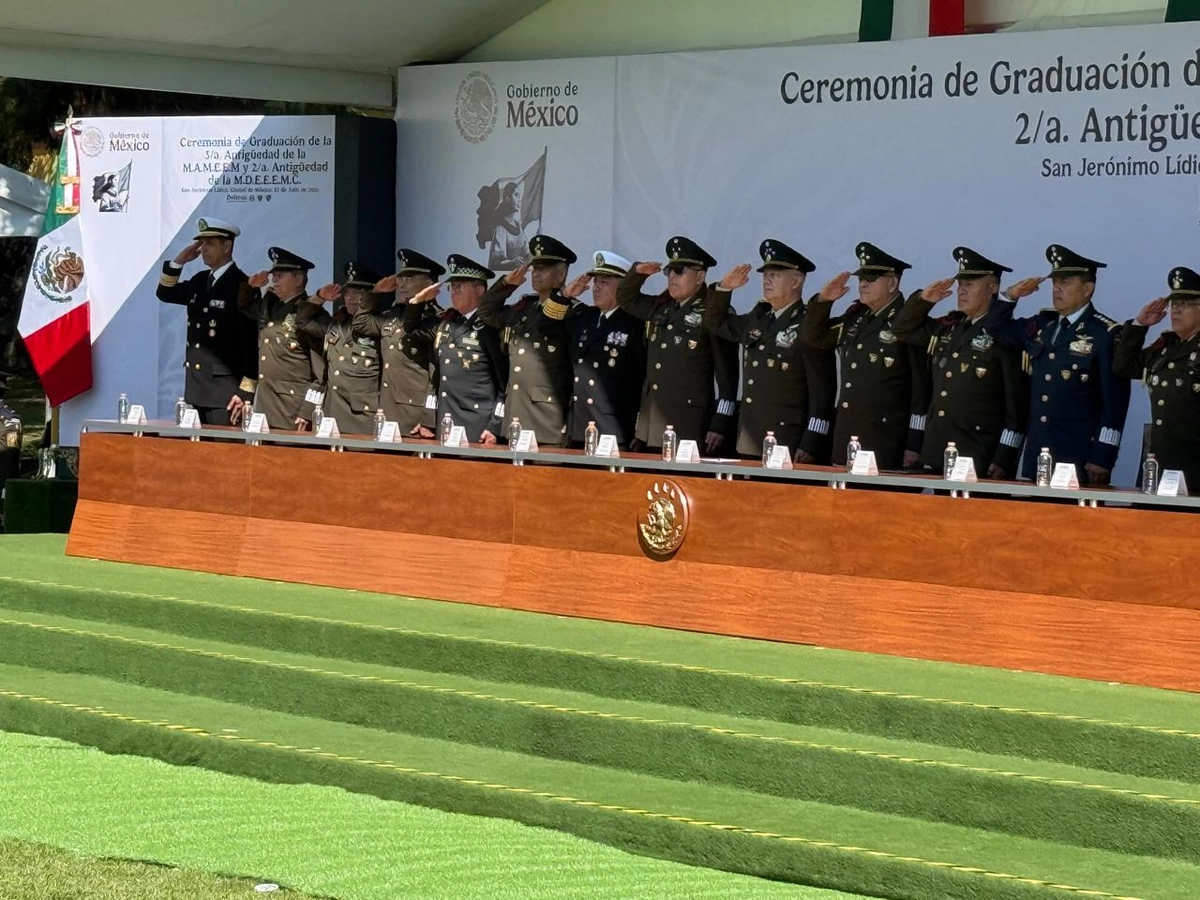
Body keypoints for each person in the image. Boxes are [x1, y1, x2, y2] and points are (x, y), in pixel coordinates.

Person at [984, 244, 1130, 485]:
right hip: (1039, 455)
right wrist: (1010, 296)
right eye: (1054, 283)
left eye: (1065, 282)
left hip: (1079, 457)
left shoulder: (1104, 334)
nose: (1057, 289)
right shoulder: (1044, 325)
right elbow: (995, 329)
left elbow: (1115, 403)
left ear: (1087, 289)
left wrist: (1103, 455)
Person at [891, 247, 1036, 478]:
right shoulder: (949, 329)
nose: (962, 291)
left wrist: (1004, 456)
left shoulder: (1003, 336)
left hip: (979, 455)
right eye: (960, 285)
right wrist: (923, 301)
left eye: (970, 284)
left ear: (994, 288)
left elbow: (1016, 406)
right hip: (940, 450)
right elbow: (902, 329)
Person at [704, 239, 837, 463]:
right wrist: (724, 289)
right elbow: (714, 323)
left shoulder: (809, 325)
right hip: (751, 435)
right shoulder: (758, 319)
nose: (767, 279)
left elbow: (822, 390)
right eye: (765, 274)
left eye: (775, 274)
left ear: (796, 281)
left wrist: (812, 440)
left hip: (788, 439)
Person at [801, 242, 930, 470]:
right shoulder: (855, 318)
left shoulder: (908, 322)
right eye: (861, 277)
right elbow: (814, 338)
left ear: (892, 283)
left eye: (871, 277)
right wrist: (823, 302)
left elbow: (920, 391)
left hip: (885, 441)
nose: (863, 283)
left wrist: (915, 443)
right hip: (847, 437)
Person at [616, 236, 739, 453]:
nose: (672, 277)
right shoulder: (662, 307)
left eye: (680, 271)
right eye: (669, 271)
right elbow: (626, 299)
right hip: (652, 425)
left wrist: (720, 423)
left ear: (700, 276)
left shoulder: (713, 312)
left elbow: (727, 376)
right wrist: (638, 273)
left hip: (689, 424)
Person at [477, 234, 578, 446]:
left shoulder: (573, 313)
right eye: (535, 268)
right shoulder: (523, 310)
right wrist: (506, 284)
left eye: (544, 268)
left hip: (548, 419)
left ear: (561, 274)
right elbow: (486, 312)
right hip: (516, 416)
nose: (536, 273)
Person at [156, 217, 256, 425]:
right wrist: (178, 262)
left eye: (210, 243)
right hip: (196, 387)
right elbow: (165, 292)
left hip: (226, 393)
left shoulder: (242, 285)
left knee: (224, 454)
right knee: (199, 454)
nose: (203, 249)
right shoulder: (199, 281)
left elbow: (252, 342)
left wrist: (245, 392)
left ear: (227, 246)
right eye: (201, 244)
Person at [1113, 265, 1200, 489]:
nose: (1176, 311)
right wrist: (1139, 325)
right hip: (1159, 464)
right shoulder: (1164, 347)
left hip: (1194, 467)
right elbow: (1123, 368)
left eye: (1185, 304)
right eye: (1174, 304)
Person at [406, 254, 507, 444]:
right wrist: (418, 302)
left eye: (459, 287)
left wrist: (495, 426)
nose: (453, 292)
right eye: (451, 287)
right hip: (446, 422)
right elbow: (411, 329)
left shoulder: (490, 328)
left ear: (479, 289)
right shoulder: (446, 323)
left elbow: (504, 384)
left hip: (477, 426)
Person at [353, 249, 445, 437]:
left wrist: (428, 418)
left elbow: (436, 372)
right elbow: (361, 323)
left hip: (415, 415)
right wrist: (376, 292)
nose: (402, 284)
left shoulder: (436, 319)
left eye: (409, 279)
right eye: (401, 279)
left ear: (429, 284)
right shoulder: (394, 316)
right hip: (387, 411)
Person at [562, 251, 646, 447]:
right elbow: (545, 323)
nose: (596, 287)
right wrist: (565, 295)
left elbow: (644, 377)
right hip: (578, 425)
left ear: (624, 287)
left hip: (613, 428)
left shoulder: (635, 324)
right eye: (596, 281)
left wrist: (640, 428)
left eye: (604, 282)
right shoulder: (584, 317)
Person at [236, 246, 323, 432]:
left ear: (298, 279)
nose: (274, 279)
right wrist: (250, 286)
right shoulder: (270, 307)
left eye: (280, 275)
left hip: (293, 411)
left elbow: (321, 375)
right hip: (266, 408)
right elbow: (244, 307)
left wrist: (308, 410)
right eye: (273, 274)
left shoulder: (310, 315)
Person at [296, 261, 383, 435]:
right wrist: (319, 297)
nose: (350, 297)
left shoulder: (380, 326)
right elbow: (303, 321)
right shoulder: (336, 324)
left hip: (362, 417)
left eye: (357, 293)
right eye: (347, 292)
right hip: (331, 412)